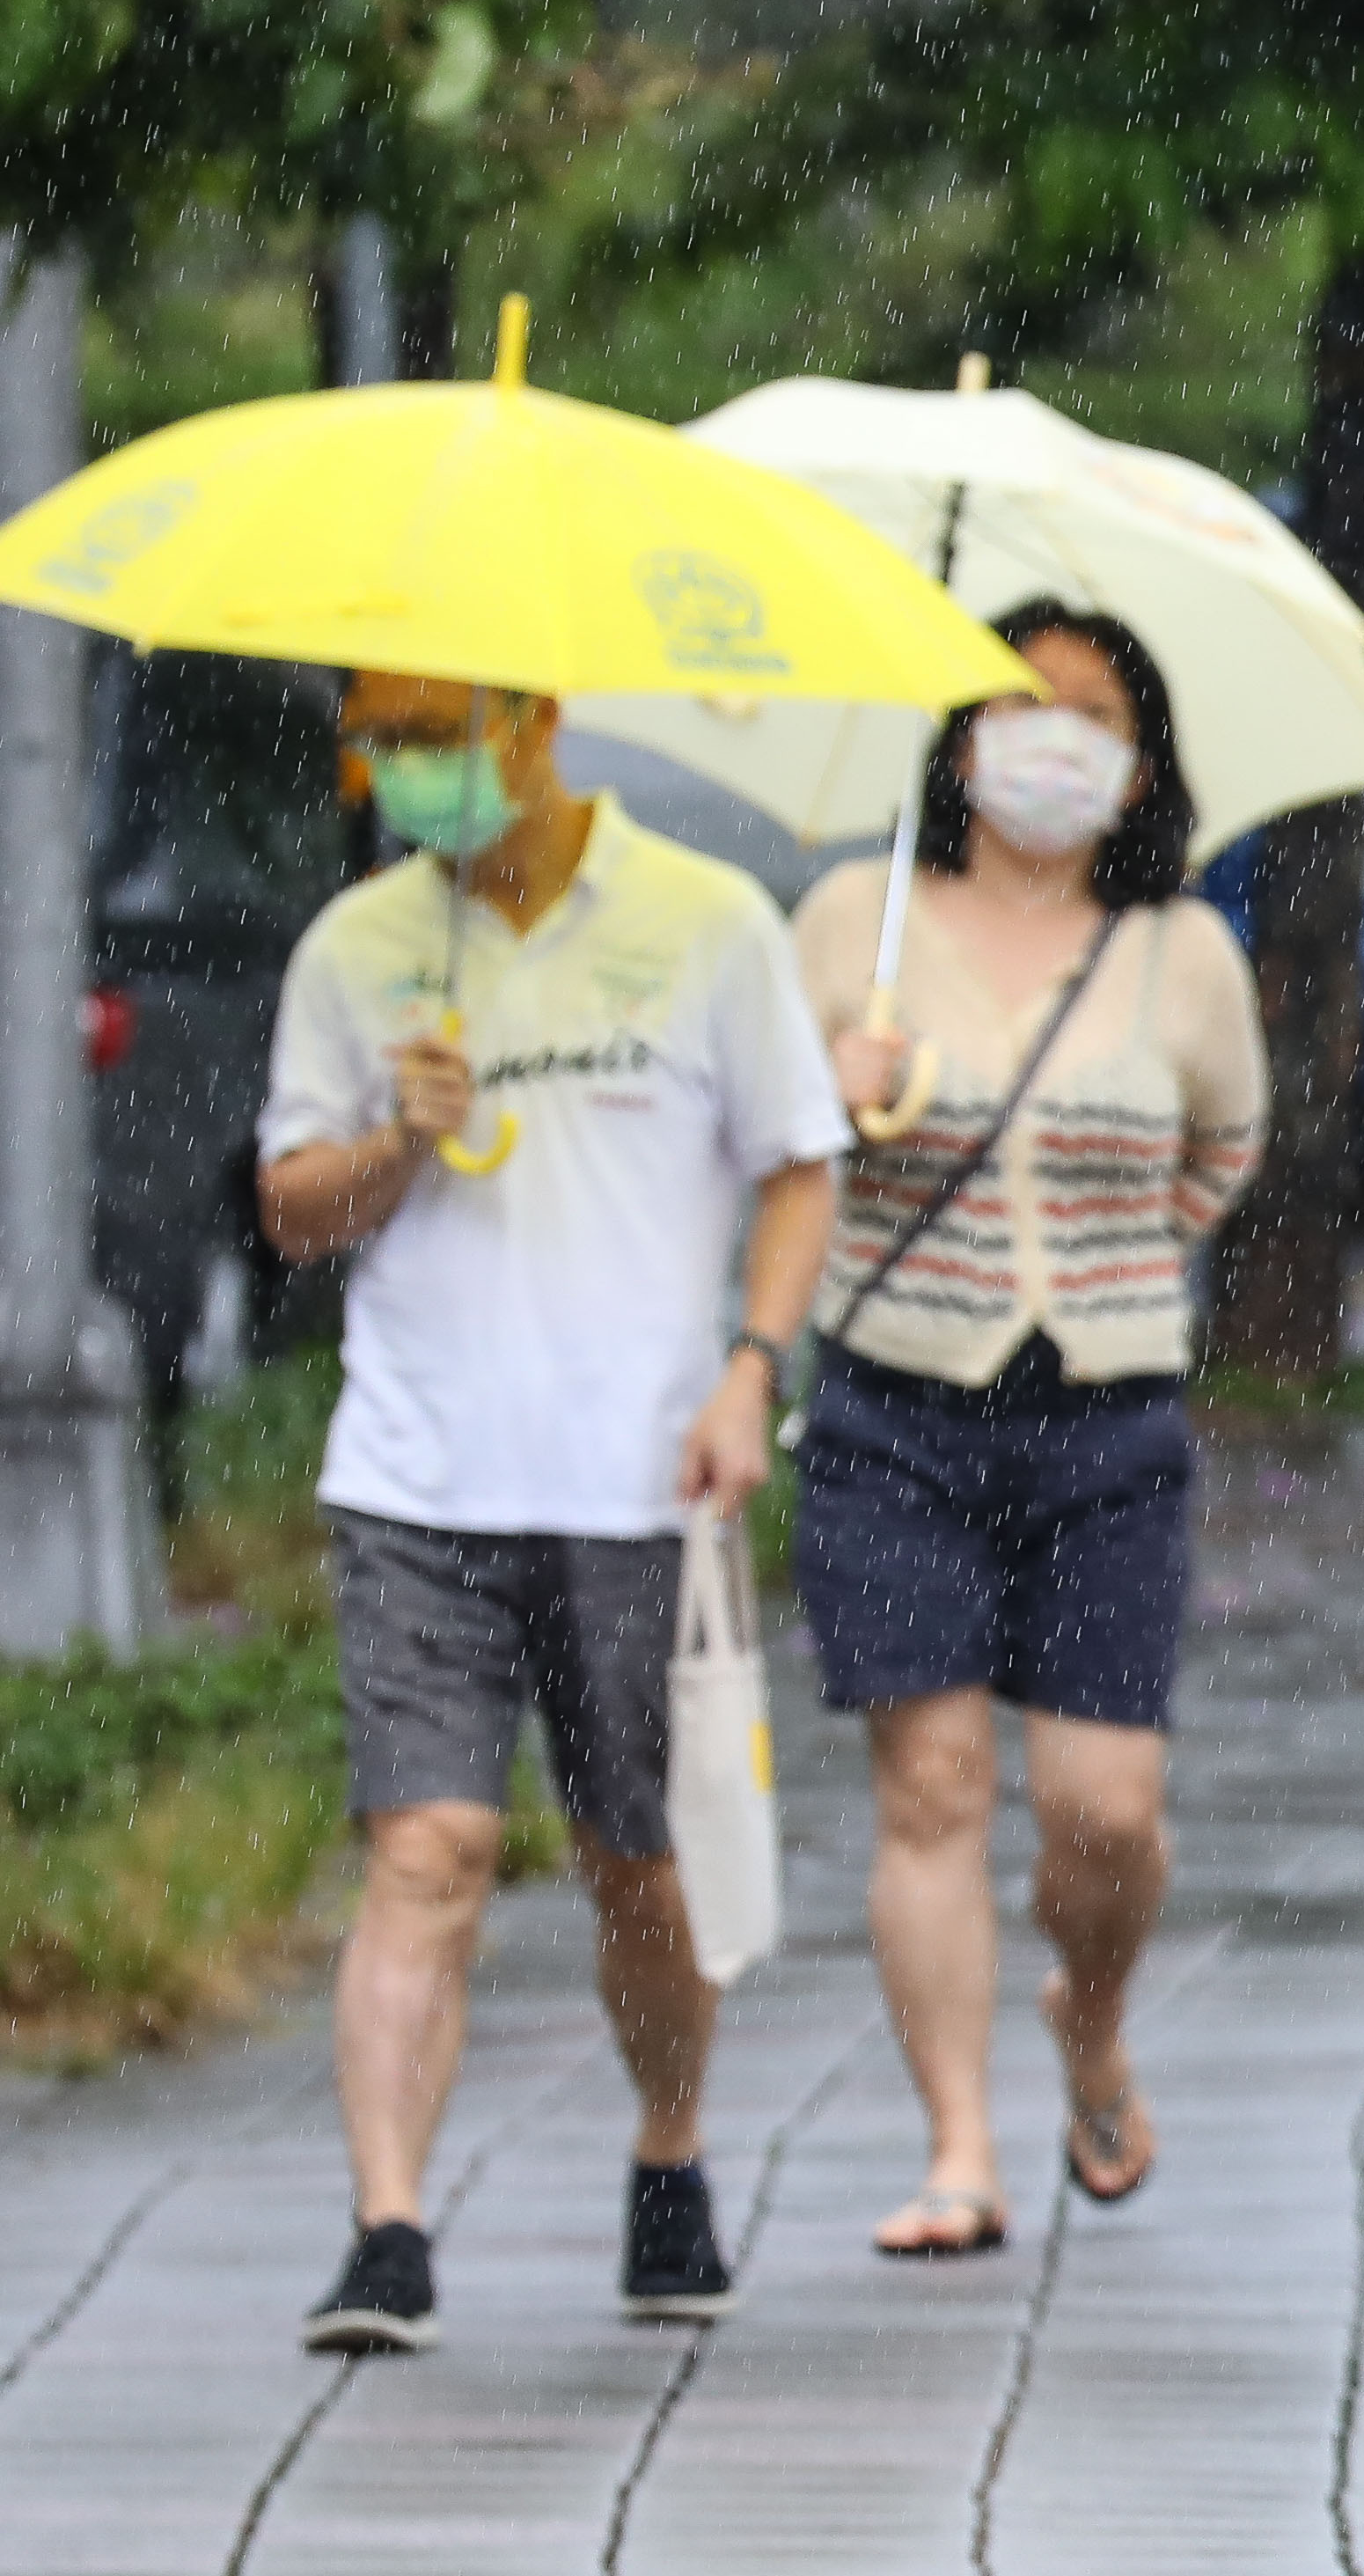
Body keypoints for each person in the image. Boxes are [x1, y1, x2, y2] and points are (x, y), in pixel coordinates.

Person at [264, 677, 845, 2353]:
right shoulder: (355, 948)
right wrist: (395, 1141)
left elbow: (800, 1156)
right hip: (419, 1473)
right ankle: (387, 2228)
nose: (413, 770)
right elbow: (292, 1205)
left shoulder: (704, 920)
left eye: (440, 729)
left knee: (636, 1866)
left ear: (532, 718)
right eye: (384, 737)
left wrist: (751, 1366)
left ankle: (669, 2153)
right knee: (426, 1846)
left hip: (634, 1479)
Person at [788, 602, 1265, 2259]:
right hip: (892, 1406)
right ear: (958, 735)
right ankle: (957, 2148)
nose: (1051, 741)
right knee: (928, 1784)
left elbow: (1221, 1156)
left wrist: (1107, 1272)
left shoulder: (1183, 955)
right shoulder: (861, 918)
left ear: (1138, 769)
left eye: (1093, 716)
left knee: (1103, 1808)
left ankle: (1093, 2014)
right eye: (1018, 706)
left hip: (1107, 1422)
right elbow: (779, 1159)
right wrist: (824, 1085)